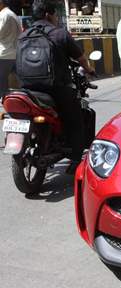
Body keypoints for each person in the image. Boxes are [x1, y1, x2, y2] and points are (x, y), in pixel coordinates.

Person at [18, 0, 95, 173]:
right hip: (57, 88)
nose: (56, 18)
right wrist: (89, 69)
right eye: (55, 14)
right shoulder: (60, 34)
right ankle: (75, 159)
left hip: (28, 89)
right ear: (48, 14)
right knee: (75, 119)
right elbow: (81, 59)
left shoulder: (24, 35)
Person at [0, 0, 21, 100]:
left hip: (5, 54)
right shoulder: (12, 14)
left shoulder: (4, 15)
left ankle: (4, 103)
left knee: (2, 83)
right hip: (14, 53)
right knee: (15, 83)